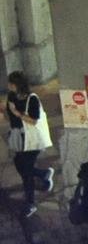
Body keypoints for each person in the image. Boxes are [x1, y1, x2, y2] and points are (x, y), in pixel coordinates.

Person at [5, 73, 53, 218]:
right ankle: (43, 174)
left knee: (25, 171)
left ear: (17, 84)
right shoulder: (11, 96)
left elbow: (33, 120)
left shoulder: (32, 99)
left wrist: (17, 113)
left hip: (31, 139)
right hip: (18, 136)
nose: (9, 86)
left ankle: (30, 203)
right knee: (19, 163)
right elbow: (9, 115)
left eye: (11, 83)